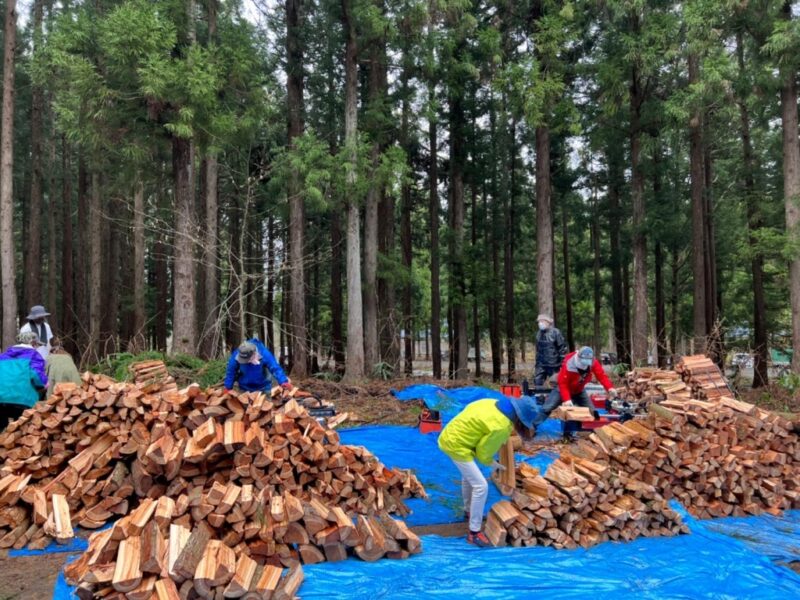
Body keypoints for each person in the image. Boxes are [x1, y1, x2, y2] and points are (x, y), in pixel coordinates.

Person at [438, 394, 538, 547]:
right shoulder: (500, 425)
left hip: (449, 435)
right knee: (481, 486)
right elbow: (483, 452)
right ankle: (474, 532)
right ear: (520, 419)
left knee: (469, 477)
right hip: (457, 445)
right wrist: (492, 463)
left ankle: (468, 511)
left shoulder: (491, 402)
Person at [532, 346, 618, 430]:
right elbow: (563, 383)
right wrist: (567, 399)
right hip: (563, 389)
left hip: (579, 390)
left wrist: (609, 388)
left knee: (592, 411)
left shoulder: (593, 362)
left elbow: (602, 376)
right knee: (548, 407)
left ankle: (594, 430)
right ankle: (533, 426)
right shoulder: (569, 364)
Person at [0, 332, 48, 431]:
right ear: (33, 343)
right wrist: (44, 384)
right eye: (37, 344)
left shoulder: (3, 356)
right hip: (23, 400)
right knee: (23, 430)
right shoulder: (34, 355)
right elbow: (37, 377)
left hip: (1, 398)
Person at [224, 338, 292, 393]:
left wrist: (283, 381)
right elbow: (231, 371)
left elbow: (275, 368)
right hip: (244, 388)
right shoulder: (237, 355)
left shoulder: (264, 353)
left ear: (253, 355)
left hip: (264, 387)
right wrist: (228, 387)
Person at [534, 313, 568, 386]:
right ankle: (539, 396)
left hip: (554, 365)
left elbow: (562, 349)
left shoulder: (556, 332)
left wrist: (562, 364)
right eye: (539, 322)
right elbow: (538, 350)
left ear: (548, 322)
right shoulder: (538, 334)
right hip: (541, 364)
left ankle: (556, 396)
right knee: (537, 381)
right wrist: (537, 363)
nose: (540, 323)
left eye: (542, 321)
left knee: (555, 383)